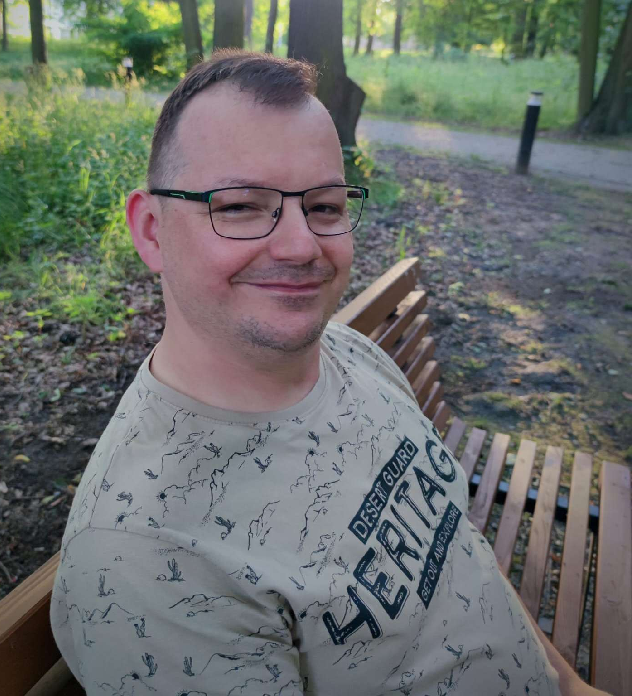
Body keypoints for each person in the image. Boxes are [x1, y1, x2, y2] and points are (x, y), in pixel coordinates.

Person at [50, 51, 604, 696]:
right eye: (240, 206)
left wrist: (571, 684)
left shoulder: (351, 352)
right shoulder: (145, 557)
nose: (300, 245)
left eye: (325, 205)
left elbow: (459, 556)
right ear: (151, 231)